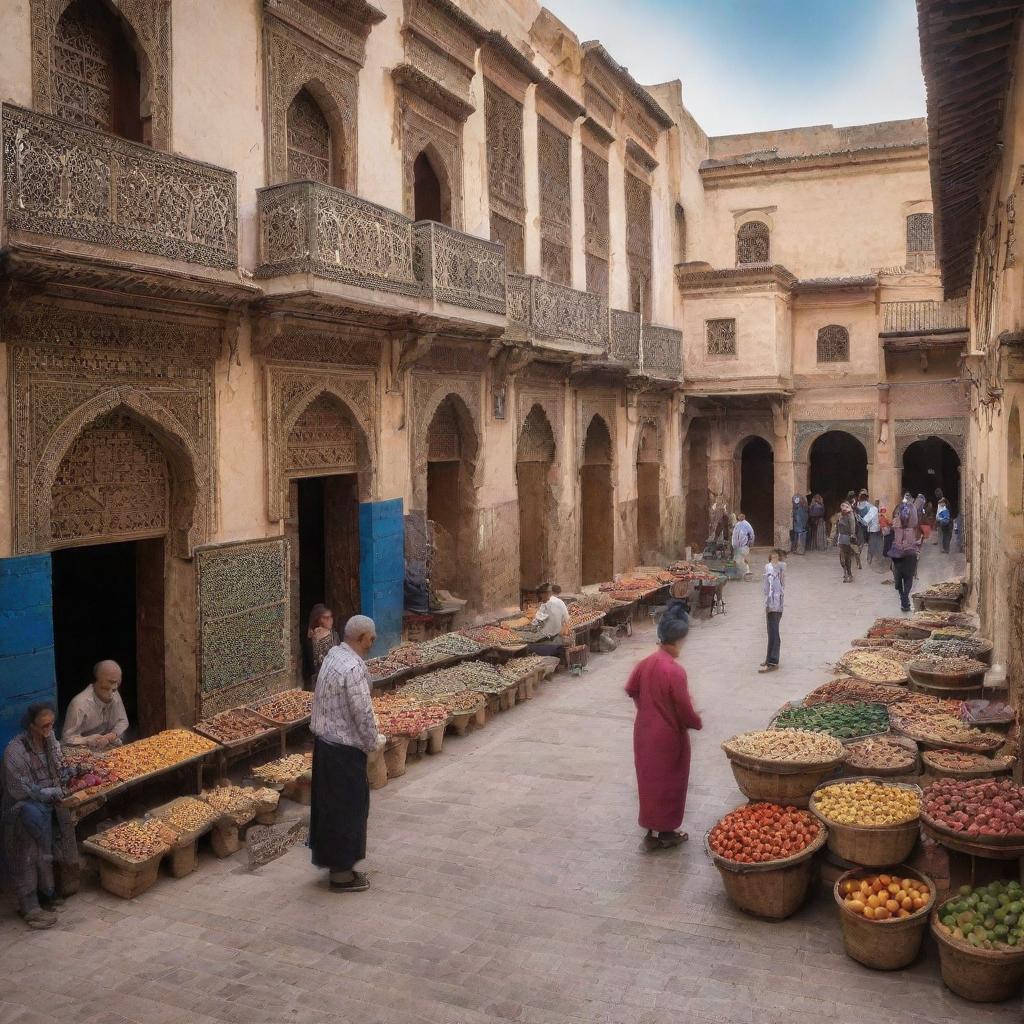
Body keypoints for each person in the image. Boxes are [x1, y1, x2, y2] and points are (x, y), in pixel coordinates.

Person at [309, 615, 385, 893]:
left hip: (325, 746)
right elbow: (362, 712)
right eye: (371, 638)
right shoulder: (352, 667)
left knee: (329, 810)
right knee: (348, 811)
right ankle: (341, 874)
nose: (372, 643)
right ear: (362, 638)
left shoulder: (334, 655)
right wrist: (372, 742)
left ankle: (334, 865)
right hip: (344, 750)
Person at [624, 607, 702, 852]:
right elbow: (683, 708)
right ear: (679, 639)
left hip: (644, 733)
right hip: (668, 737)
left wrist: (645, 707)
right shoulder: (675, 670)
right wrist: (695, 722)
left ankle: (650, 829)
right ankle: (667, 832)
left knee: (649, 782)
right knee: (670, 783)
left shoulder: (646, 663)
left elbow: (631, 688)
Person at [3, 703, 79, 929]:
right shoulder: (14, 751)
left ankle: (48, 893)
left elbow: (59, 764)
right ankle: (29, 907)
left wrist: (77, 776)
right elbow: (22, 790)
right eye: (44, 725)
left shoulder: (50, 738)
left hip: (47, 805)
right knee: (28, 855)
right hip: (22, 808)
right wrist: (56, 792)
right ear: (31, 725)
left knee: (50, 849)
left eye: (51, 724)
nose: (49, 729)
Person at [61, 660, 129, 752]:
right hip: (85, 747)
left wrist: (111, 736)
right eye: (105, 688)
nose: (110, 694)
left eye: (114, 689)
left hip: (108, 743)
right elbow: (67, 739)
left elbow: (123, 720)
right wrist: (88, 740)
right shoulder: (79, 704)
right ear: (95, 682)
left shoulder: (113, 692)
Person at [890, 499, 922, 612]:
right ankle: (905, 599)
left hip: (900, 554)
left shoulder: (896, 524)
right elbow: (919, 539)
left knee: (900, 579)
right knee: (907, 578)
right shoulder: (912, 526)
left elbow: (889, 538)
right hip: (907, 554)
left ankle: (904, 599)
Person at [524, 582, 569, 655]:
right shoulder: (560, 602)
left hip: (549, 643)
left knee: (528, 644)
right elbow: (566, 618)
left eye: (540, 596)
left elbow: (536, 623)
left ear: (544, 594)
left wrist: (529, 626)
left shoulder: (545, 605)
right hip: (560, 640)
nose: (540, 598)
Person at [760, 549, 785, 673]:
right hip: (770, 605)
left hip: (776, 606)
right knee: (771, 632)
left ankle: (773, 662)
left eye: (777, 558)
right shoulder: (768, 571)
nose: (774, 560)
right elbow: (766, 589)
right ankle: (769, 658)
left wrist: (773, 605)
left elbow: (778, 590)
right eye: (772, 558)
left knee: (774, 633)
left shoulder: (778, 571)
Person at [836, 502, 858, 582]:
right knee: (842, 558)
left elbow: (853, 528)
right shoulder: (840, 516)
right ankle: (846, 573)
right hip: (841, 538)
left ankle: (849, 574)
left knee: (847, 557)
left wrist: (852, 536)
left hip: (848, 538)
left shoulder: (851, 515)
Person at [731, 513, 755, 580]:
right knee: (737, 560)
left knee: (740, 560)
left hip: (744, 545)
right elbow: (734, 535)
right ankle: (741, 575)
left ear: (744, 517)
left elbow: (752, 534)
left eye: (741, 516)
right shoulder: (737, 524)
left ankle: (746, 573)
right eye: (739, 516)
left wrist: (750, 543)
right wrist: (733, 544)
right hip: (736, 546)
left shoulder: (747, 525)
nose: (739, 517)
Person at [861, 499, 882, 567]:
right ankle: (870, 559)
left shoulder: (877, 509)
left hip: (877, 530)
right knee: (873, 544)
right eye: (877, 503)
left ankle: (873, 559)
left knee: (875, 544)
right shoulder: (874, 509)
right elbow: (866, 520)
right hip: (873, 530)